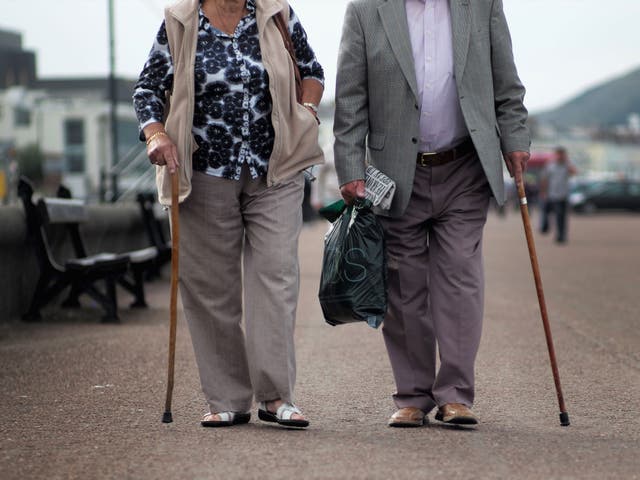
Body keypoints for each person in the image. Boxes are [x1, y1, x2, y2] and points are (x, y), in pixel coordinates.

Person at [334, 0, 530, 427]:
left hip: (464, 167)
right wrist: (349, 168)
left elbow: (507, 86)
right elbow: (350, 99)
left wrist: (516, 139)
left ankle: (456, 394)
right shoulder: (366, 10)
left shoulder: (482, 6)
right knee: (403, 285)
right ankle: (413, 395)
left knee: (460, 276)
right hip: (395, 173)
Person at [133, 0, 324, 428]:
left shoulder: (276, 13)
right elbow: (147, 89)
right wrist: (156, 134)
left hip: (275, 169)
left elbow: (311, 71)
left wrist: (306, 115)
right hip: (203, 172)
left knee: (276, 277)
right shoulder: (181, 21)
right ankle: (227, 398)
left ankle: (276, 397)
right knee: (211, 289)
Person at [539, 147, 577, 244]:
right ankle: (544, 226)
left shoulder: (567, 165)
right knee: (546, 212)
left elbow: (574, 172)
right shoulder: (550, 166)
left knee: (561, 216)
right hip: (552, 194)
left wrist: (567, 162)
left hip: (563, 195)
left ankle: (561, 235)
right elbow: (544, 180)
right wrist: (543, 192)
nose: (560, 157)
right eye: (559, 154)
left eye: (562, 154)